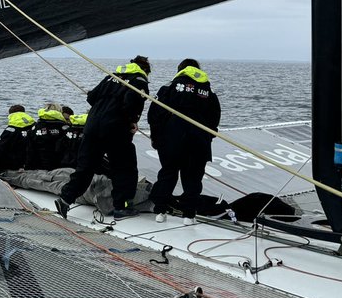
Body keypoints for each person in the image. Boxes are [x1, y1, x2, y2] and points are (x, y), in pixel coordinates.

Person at [56, 56, 151, 219]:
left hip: (92, 126)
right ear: (145, 69)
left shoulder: (111, 76)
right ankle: (122, 207)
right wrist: (132, 121)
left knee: (85, 166)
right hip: (116, 128)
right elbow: (131, 103)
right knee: (124, 167)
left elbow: (91, 97)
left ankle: (65, 198)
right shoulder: (139, 80)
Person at [147, 59, 221, 224]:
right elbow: (215, 117)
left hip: (172, 140)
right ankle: (189, 215)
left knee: (168, 173)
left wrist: (155, 136)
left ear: (180, 70)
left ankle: (160, 211)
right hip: (198, 141)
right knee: (193, 177)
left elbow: (154, 114)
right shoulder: (208, 91)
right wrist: (209, 136)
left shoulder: (169, 88)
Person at [0, 105, 36, 173]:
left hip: (13, 165)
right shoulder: (35, 127)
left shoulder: (11, 130)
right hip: (29, 162)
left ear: (11, 115)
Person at [26, 102, 70, 170]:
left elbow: (29, 149)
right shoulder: (65, 128)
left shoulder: (35, 127)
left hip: (36, 166)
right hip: (59, 166)